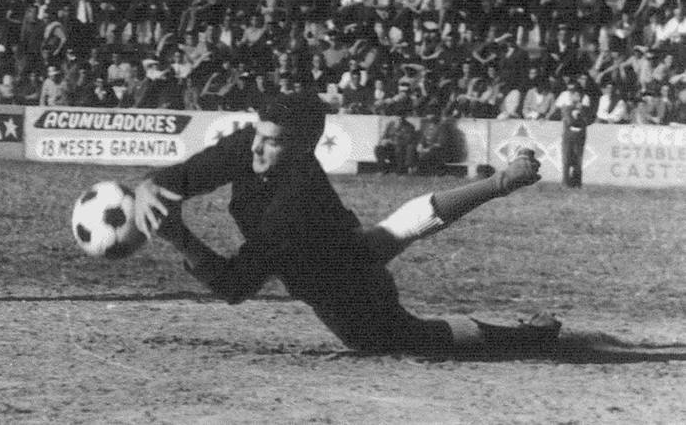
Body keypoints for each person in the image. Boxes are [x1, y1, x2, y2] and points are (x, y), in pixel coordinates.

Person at [132, 93, 559, 359]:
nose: (257, 147)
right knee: (394, 232)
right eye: (258, 135)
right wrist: (153, 186)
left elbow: (235, 286)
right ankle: (500, 182)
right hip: (344, 245)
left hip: (342, 283)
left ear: (302, 148)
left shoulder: (292, 205)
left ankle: (526, 341)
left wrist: (178, 236)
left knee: (404, 340)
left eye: (274, 141)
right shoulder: (253, 143)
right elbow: (188, 175)